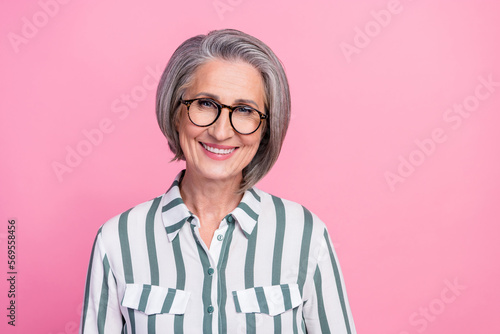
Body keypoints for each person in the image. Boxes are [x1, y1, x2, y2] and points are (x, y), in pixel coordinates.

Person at [79, 29, 356, 334]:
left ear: (265, 128)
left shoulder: (305, 235)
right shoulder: (117, 240)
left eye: (245, 110)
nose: (221, 132)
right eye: (206, 104)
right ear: (175, 113)